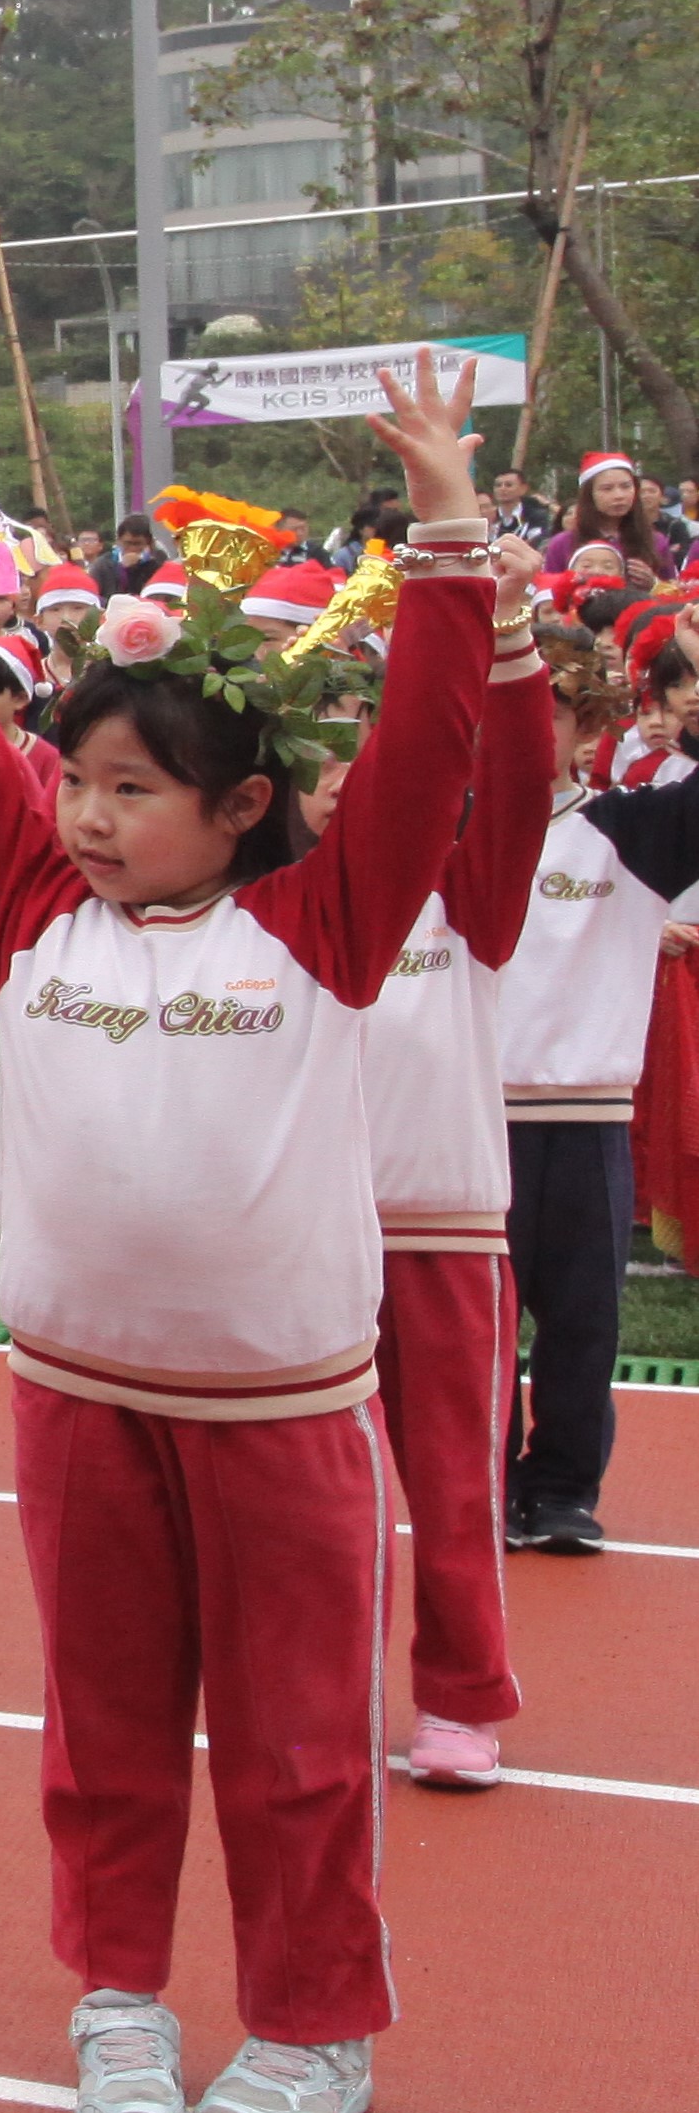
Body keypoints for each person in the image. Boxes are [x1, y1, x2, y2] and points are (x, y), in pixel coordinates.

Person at [0, 350, 491, 2113]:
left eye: (135, 788)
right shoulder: (30, 912)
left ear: (241, 810)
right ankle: (116, 1997)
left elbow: (432, 746)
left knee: (292, 1741)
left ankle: (309, 2023)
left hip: (278, 1410)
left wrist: (445, 530)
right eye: (81, 780)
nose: (89, 811)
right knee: (105, 1728)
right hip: (76, 1400)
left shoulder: (320, 926)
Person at [329, 541, 553, 1792]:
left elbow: (520, 786)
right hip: (308, 1242)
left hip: (446, 1237)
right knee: (312, 1497)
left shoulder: (470, 899)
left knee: (455, 1489)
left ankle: (461, 1697)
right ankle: (316, 1687)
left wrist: (510, 635)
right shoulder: (288, 901)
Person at [493, 622, 699, 1552]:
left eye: (548, 710)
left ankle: (566, 1488)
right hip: (463, 1126)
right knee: (476, 1333)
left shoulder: (627, 832)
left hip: (585, 1121)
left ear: (588, 728)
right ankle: (482, 1482)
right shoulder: (432, 836)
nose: (519, 728)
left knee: (582, 1320)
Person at [543, 451, 673, 579]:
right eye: (607, 489)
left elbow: (676, 594)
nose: (619, 496)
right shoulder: (562, 543)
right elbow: (547, 593)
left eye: (626, 486)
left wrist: (654, 585)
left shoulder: (655, 541)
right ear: (589, 494)